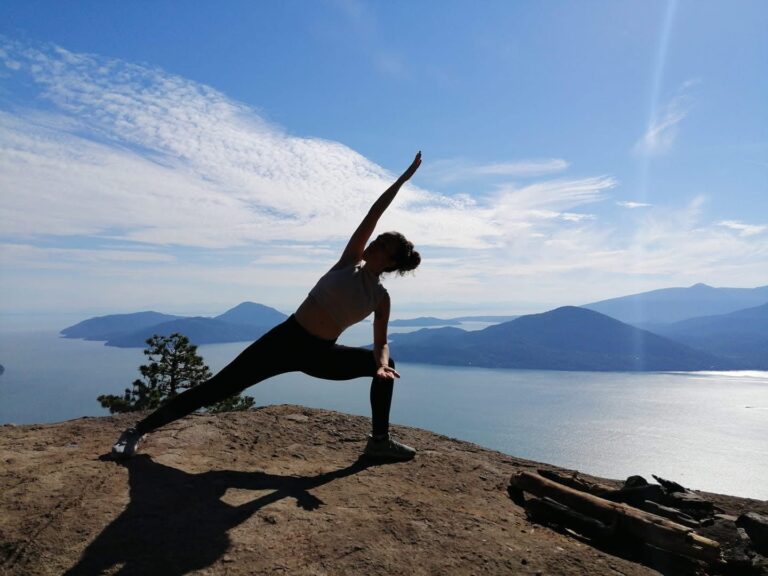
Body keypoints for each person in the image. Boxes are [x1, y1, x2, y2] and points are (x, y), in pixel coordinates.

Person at [112, 151, 423, 461]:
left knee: (387, 366)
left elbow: (381, 341)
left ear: (391, 262)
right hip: (285, 340)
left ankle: (379, 442)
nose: (375, 244)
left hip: (322, 354)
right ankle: (137, 430)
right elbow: (374, 213)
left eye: (383, 247)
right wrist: (401, 181)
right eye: (378, 240)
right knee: (218, 387)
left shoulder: (380, 298)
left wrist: (380, 364)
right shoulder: (349, 262)